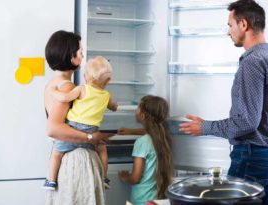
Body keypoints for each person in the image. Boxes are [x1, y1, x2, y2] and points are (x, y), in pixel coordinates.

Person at [179, 1, 268, 205]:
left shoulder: (252, 62)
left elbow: (248, 122)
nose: (228, 32)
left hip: (251, 158)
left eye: (230, 25)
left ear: (244, 25)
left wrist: (204, 127)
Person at [44, 30, 111, 205]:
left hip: (66, 157)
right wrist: (90, 137)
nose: (82, 53)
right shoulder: (67, 87)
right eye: (79, 50)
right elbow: (53, 128)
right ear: (70, 56)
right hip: (77, 159)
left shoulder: (53, 84)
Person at [118, 95, 173, 205]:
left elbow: (135, 178)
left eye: (137, 108)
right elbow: (153, 129)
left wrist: (125, 178)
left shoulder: (142, 142)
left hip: (141, 199)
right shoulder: (163, 137)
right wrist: (131, 131)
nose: (136, 110)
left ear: (142, 116)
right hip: (158, 199)